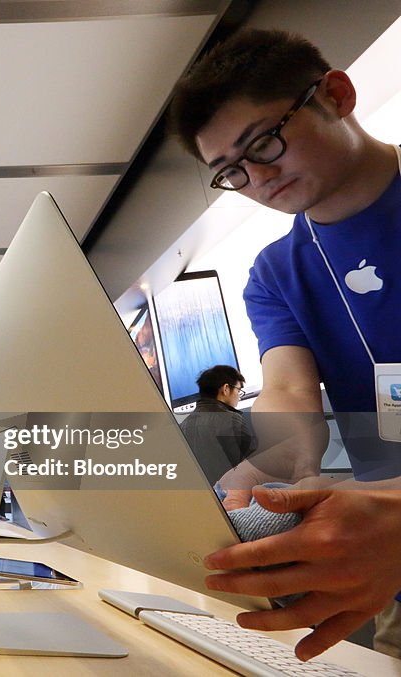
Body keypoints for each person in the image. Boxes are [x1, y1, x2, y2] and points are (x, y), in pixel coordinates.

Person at [168, 28, 401, 660]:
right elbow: (290, 387)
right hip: (387, 566)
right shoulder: (276, 273)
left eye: (265, 142)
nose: (258, 178)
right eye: (231, 172)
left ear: (338, 94)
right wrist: (278, 459)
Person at [179, 365, 256, 485]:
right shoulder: (232, 419)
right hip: (233, 495)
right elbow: (250, 466)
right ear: (226, 389)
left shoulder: (183, 426)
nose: (239, 397)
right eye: (238, 390)